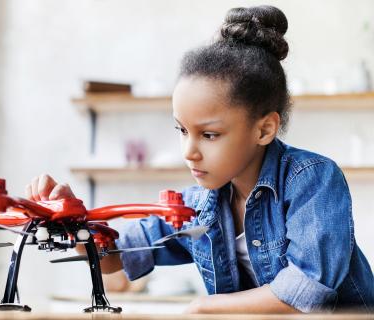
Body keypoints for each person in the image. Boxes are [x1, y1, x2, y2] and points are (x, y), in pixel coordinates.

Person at [26, 5, 374, 313]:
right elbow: (114, 257)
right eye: (181, 130)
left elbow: (305, 294)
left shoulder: (311, 180)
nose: (189, 151)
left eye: (209, 135)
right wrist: (72, 220)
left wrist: (206, 307)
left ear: (265, 129)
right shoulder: (197, 204)